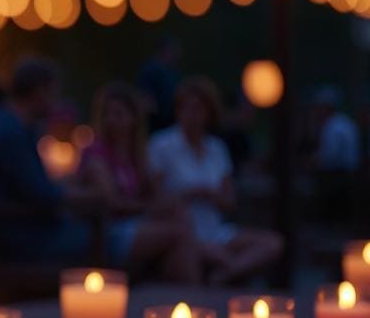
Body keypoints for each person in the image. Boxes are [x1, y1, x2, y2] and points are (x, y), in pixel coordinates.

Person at [148, 77, 283, 285]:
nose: (192, 115)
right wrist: (194, 193)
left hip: (215, 229)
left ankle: (223, 275)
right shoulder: (161, 146)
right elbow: (155, 199)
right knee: (196, 251)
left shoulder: (217, 149)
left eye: (198, 109)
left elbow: (229, 201)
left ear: (209, 113)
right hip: (181, 231)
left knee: (273, 244)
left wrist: (211, 196)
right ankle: (226, 268)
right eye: (187, 108)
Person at [0, 58, 102, 265]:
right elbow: (42, 194)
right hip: (26, 237)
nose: (56, 100)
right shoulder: (10, 133)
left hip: (31, 229)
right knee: (113, 237)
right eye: (53, 92)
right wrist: (90, 196)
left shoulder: (14, 126)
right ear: (38, 92)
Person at [79, 83, 201, 283]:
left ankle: (186, 292)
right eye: (107, 114)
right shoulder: (96, 156)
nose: (111, 120)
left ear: (133, 118)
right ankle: (195, 292)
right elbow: (110, 203)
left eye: (118, 114)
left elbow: (156, 192)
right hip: (108, 231)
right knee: (179, 235)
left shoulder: (135, 155)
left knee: (178, 215)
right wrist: (149, 208)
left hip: (137, 224)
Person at [309, 85, 360, 172]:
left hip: (339, 175)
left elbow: (331, 156)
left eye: (320, 107)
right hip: (348, 173)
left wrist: (313, 161)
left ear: (327, 107)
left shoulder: (333, 125)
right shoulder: (343, 121)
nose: (317, 111)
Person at [138, 36, 181, 134]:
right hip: (158, 122)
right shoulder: (151, 70)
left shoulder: (173, 72)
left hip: (172, 121)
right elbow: (145, 97)